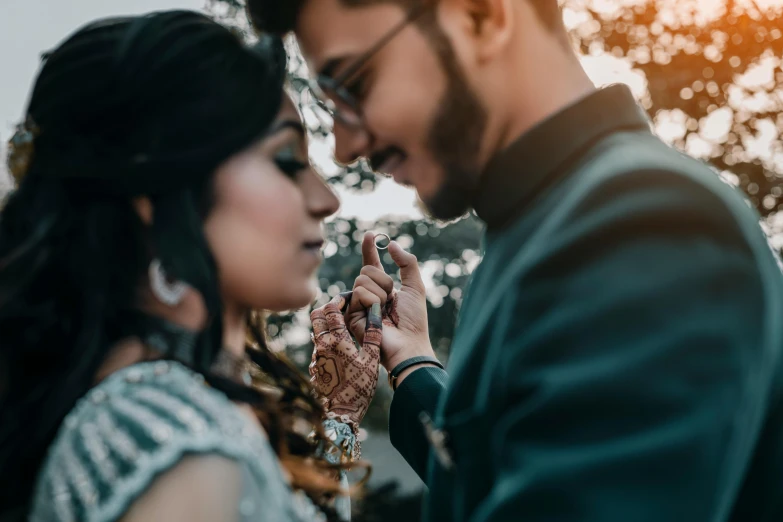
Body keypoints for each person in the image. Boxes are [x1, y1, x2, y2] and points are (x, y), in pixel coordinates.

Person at [247, 0, 783, 521]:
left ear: (482, 15)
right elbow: (507, 480)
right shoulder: (548, 224)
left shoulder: (646, 221)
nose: (344, 145)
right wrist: (411, 360)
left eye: (354, 85)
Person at [0, 10, 389, 522]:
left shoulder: (156, 411)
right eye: (288, 159)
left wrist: (341, 409)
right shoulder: (165, 436)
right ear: (158, 193)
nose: (326, 199)